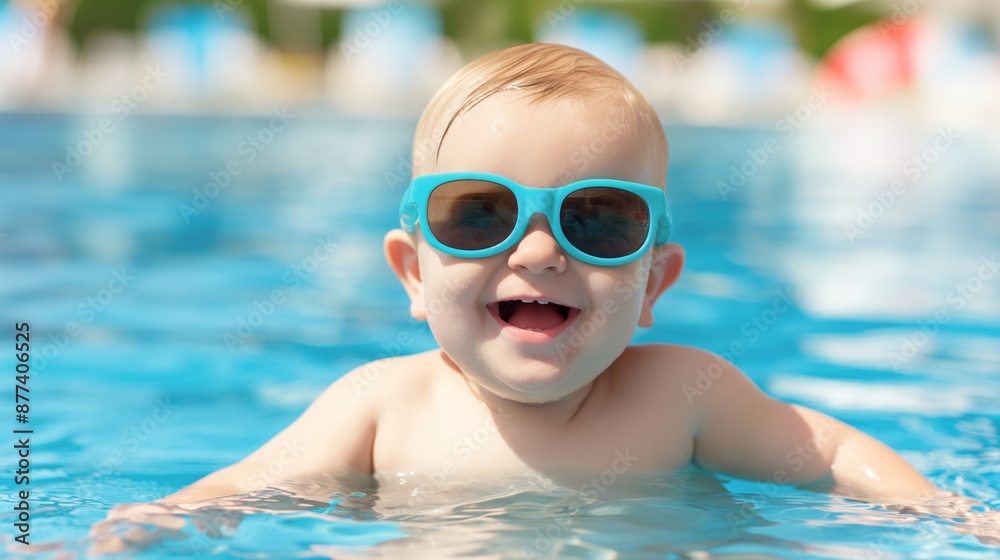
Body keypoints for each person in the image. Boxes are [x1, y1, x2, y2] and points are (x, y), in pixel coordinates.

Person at [93, 42, 998, 552]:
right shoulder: (378, 408)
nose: (538, 250)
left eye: (599, 221)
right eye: (478, 215)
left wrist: (949, 519)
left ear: (654, 282)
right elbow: (246, 489)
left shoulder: (684, 396)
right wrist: (165, 518)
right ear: (412, 273)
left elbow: (829, 453)